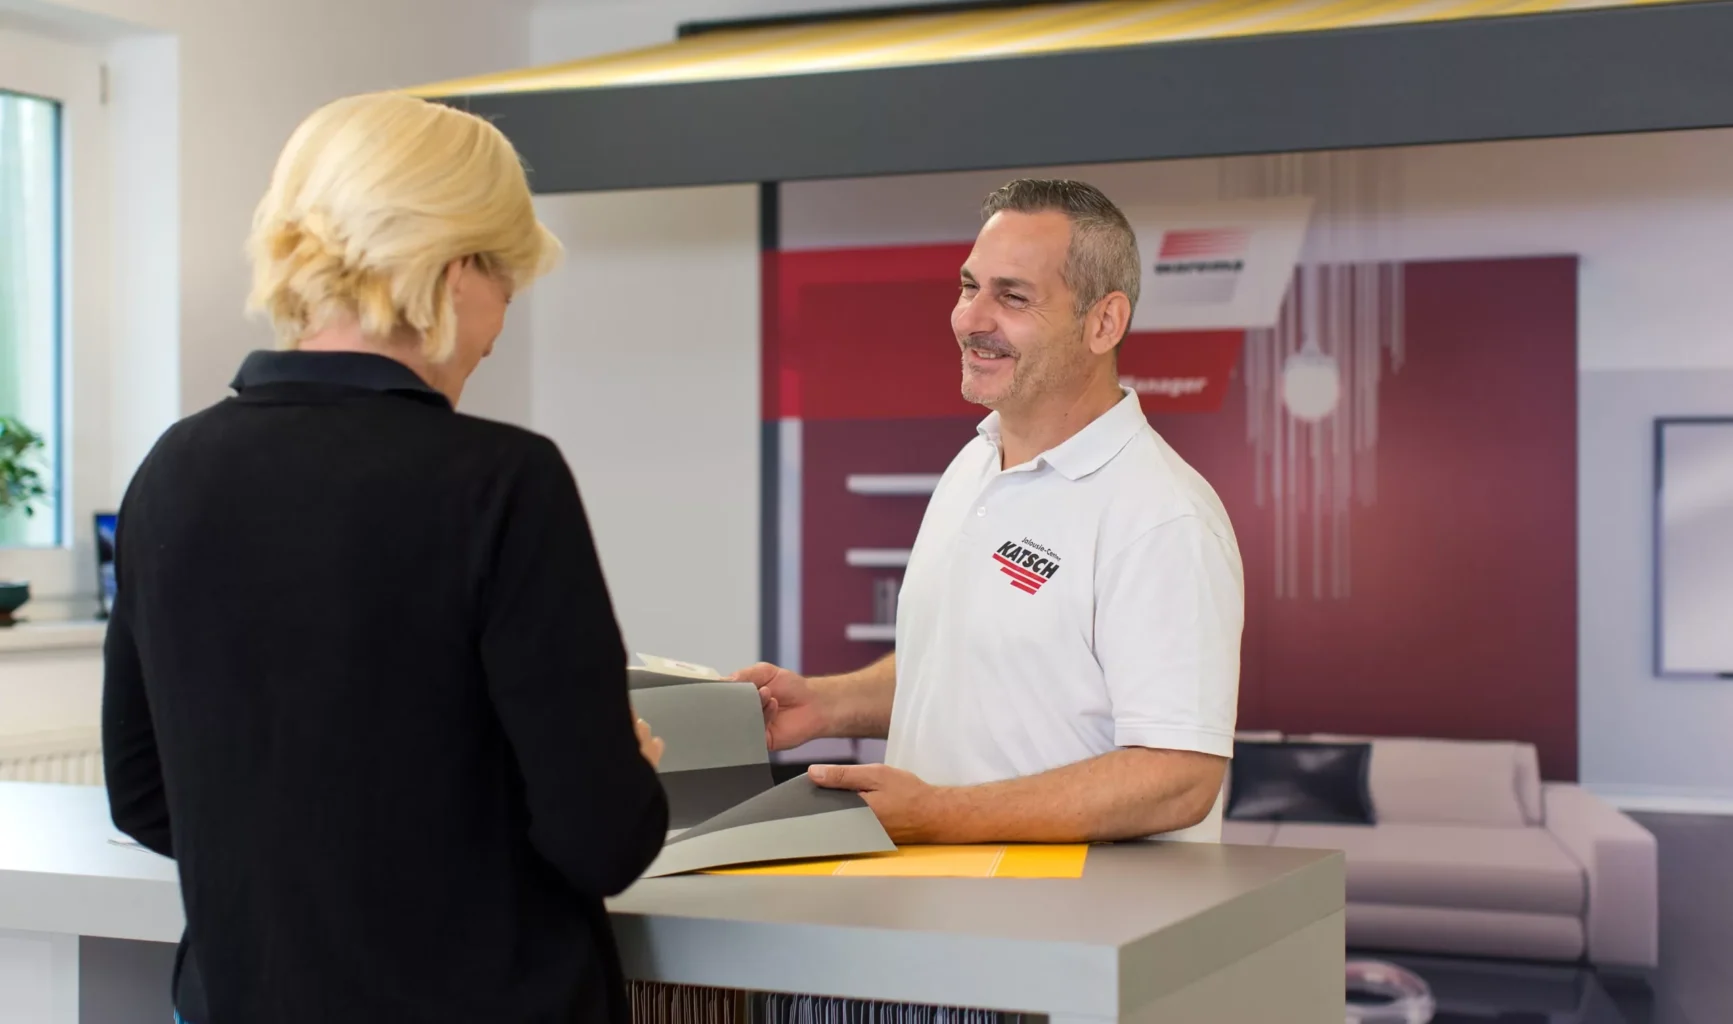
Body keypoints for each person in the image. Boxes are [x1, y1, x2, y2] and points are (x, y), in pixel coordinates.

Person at [101, 92, 669, 1024]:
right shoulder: (500, 479)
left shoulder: (173, 468)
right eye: (506, 281)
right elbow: (602, 842)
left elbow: (141, 794)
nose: (501, 320)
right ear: (455, 273)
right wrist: (615, 765)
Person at [736, 179, 1244, 845]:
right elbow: (970, 663)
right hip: (951, 908)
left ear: (1104, 322)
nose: (969, 318)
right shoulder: (973, 463)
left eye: (1011, 296)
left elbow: (1178, 775)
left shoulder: (1162, 517)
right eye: (967, 286)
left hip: (1075, 930)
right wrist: (824, 705)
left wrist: (937, 815)